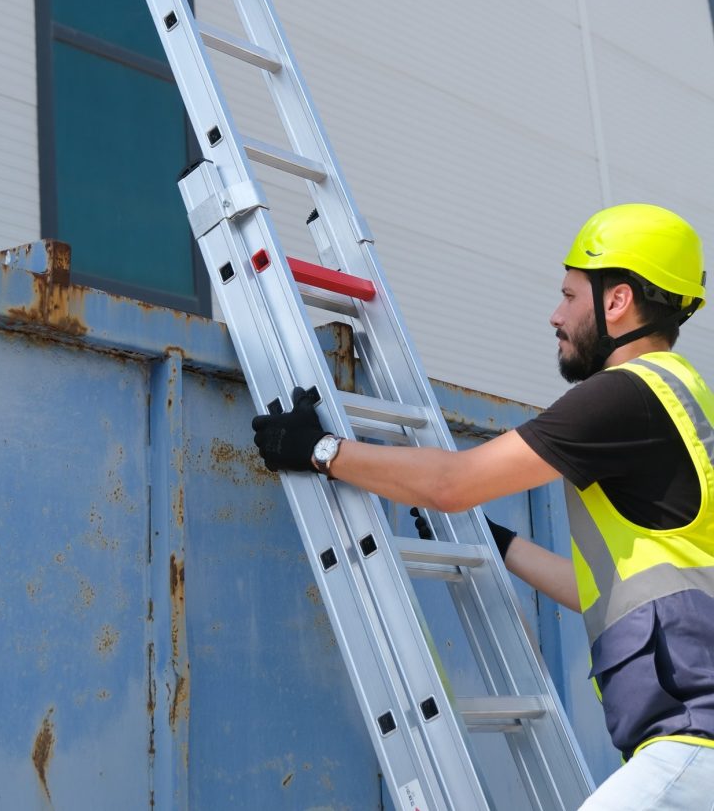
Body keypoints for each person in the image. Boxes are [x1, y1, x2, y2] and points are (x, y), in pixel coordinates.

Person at [252, 203, 714, 810]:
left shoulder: (624, 396)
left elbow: (453, 482)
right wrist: (500, 544)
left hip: (692, 745)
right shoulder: (687, 402)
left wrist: (321, 450)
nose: (555, 315)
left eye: (569, 296)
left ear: (618, 300)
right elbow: (605, 594)